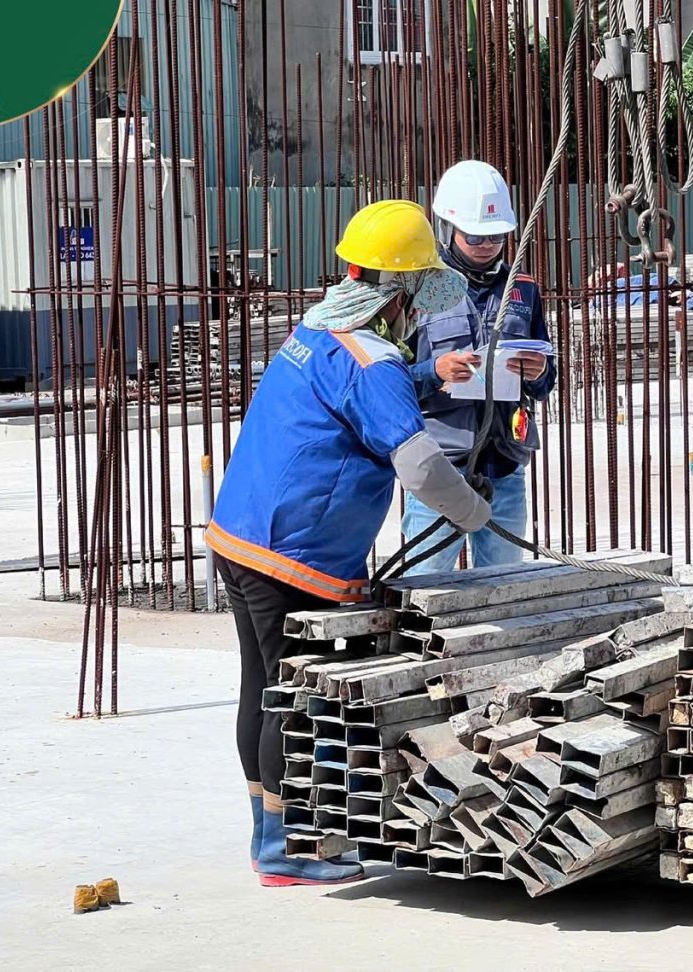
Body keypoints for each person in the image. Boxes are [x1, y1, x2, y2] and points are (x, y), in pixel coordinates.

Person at [206, 199, 492, 887]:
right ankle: (284, 850)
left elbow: (355, 389)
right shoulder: (375, 361)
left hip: (240, 535)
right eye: (418, 296)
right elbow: (418, 465)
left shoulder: (316, 329)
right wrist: (474, 512)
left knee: (261, 686)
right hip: (292, 554)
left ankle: (267, 833)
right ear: (402, 294)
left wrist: (429, 376)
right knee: (292, 699)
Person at [399, 159, 555, 574]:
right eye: (475, 236)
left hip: (504, 466)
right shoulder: (419, 289)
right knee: (425, 585)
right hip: (439, 469)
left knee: (502, 587)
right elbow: (388, 382)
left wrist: (539, 373)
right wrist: (435, 371)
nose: (487, 245)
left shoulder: (523, 289)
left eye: (496, 236)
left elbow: (546, 381)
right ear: (448, 228)